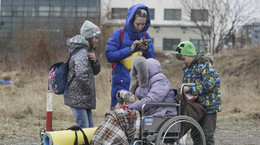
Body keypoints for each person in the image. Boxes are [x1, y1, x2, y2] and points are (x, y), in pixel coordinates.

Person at [105, 4, 155, 108]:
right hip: (121, 83)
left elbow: (152, 60)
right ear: (131, 21)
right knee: (118, 113)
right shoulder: (119, 34)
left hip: (140, 85)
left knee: (137, 115)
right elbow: (109, 56)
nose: (140, 27)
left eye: (143, 24)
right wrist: (129, 50)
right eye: (138, 24)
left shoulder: (146, 36)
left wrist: (147, 50)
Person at [175, 41, 222, 145]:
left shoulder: (205, 65)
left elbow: (210, 83)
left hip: (209, 106)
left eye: (183, 58)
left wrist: (191, 89)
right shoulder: (188, 68)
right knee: (196, 135)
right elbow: (186, 84)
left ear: (190, 54)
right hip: (196, 107)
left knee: (207, 135)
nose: (182, 62)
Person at [64, 20, 101, 128]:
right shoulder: (82, 52)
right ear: (89, 37)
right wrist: (89, 89)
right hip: (78, 97)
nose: (97, 40)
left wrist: (95, 61)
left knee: (90, 127)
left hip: (84, 97)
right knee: (84, 127)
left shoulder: (88, 51)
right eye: (96, 38)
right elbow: (81, 74)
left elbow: (96, 71)